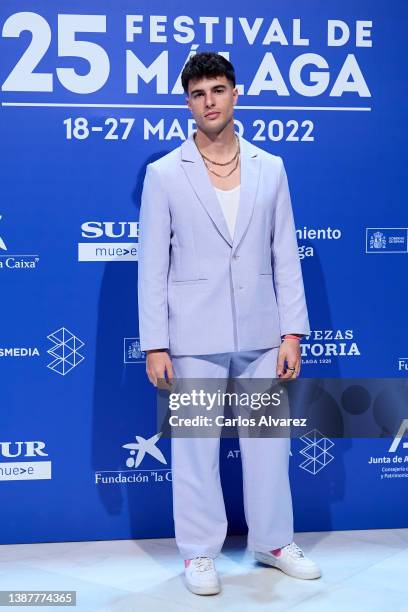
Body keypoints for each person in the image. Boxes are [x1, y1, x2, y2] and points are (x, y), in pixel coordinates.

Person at [137, 52, 321, 596]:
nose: (209, 101)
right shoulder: (164, 174)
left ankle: (273, 541)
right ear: (188, 102)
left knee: (269, 444)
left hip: (265, 334)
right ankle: (198, 553)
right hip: (192, 335)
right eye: (198, 94)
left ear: (235, 94)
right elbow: (152, 266)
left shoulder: (272, 167)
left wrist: (293, 331)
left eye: (217, 90)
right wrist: (155, 344)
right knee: (195, 447)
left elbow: (283, 252)